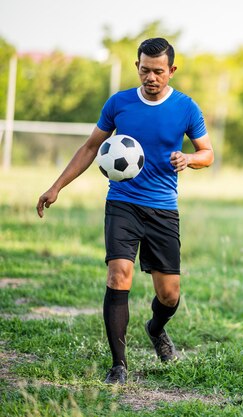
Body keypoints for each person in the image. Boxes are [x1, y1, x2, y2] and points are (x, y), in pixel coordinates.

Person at [36, 38, 214, 385]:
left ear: (171, 71)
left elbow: (207, 152)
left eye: (158, 71)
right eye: (145, 70)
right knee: (119, 274)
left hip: (162, 208)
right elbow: (89, 147)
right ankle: (119, 365)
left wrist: (190, 158)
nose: (151, 77)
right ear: (137, 67)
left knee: (169, 294)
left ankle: (155, 327)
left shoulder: (186, 108)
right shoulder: (119, 104)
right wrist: (56, 187)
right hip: (122, 202)